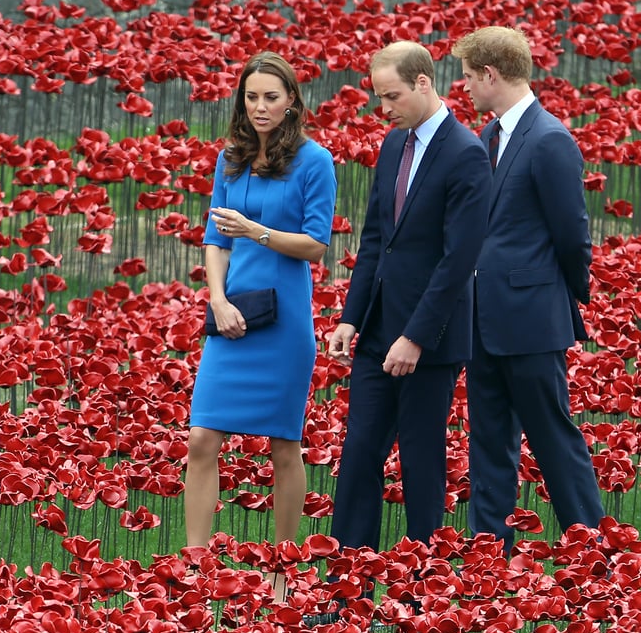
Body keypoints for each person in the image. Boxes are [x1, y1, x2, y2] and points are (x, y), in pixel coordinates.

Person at [326, 41, 491, 582]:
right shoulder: (393, 145)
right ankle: (346, 583)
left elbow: (458, 259)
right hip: (377, 329)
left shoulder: (466, 152)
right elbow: (375, 239)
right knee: (357, 457)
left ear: (424, 83)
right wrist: (351, 317)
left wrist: (417, 337)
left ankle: (424, 590)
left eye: (392, 95)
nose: (384, 107)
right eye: (378, 97)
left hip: (431, 341)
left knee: (423, 463)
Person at [186, 51, 337, 603]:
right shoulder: (231, 159)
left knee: (283, 447)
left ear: (292, 100)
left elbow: (316, 246)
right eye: (251, 97)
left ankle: (279, 571)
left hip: (286, 320)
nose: (260, 107)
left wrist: (256, 228)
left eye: (271, 96)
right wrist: (217, 300)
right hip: (231, 317)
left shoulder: (315, 161)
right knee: (202, 438)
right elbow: (213, 239)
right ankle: (195, 571)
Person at [451, 26, 605, 558]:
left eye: (470, 77)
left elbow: (572, 233)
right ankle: (488, 556)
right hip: (484, 320)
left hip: (532, 318)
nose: (464, 86)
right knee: (488, 442)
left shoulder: (549, 138)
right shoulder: (490, 137)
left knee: (551, 437)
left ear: (491, 75)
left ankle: (591, 549)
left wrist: (564, 298)